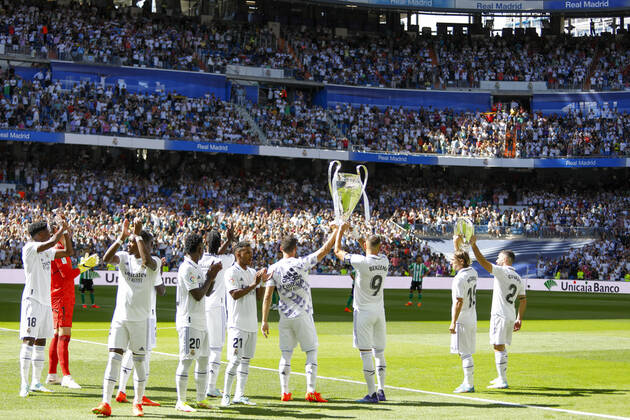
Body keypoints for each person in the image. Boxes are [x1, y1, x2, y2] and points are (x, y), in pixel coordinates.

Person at [92, 219, 165, 417]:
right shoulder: (124, 257)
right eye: (130, 242)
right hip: (120, 319)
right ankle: (105, 402)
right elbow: (106, 259)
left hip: (140, 321)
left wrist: (139, 235)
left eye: (133, 241)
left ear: (148, 245)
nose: (130, 244)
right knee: (114, 358)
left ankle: (138, 402)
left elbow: (146, 261)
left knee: (139, 363)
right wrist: (121, 237)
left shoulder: (155, 262)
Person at [261, 227, 337, 402]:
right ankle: (310, 391)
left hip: (285, 317)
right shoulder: (301, 263)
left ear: (281, 249)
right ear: (295, 249)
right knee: (311, 351)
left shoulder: (273, 268)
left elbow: (267, 297)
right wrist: (336, 231)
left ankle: (285, 392)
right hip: (303, 314)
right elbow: (325, 249)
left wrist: (264, 321)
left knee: (286, 353)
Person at [333, 222, 389, 403]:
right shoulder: (385, 260)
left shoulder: (361, 261)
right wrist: (355, 233)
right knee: (379, 353)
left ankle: (371, 394)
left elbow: (337, 251)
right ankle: (381, 390)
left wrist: (340, 231)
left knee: (365, 353)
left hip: (363, 312)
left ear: (366, 246)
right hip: (379, 312)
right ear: (380, 247)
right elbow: (367, 247)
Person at [19, 219, 73, 397]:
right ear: (39, 234)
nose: (50, 233)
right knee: (29, 340)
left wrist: (65, 234)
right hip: (32, 300)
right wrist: (60, 231)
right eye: (48, 231)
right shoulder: (29, 247)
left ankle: (36, 381)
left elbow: (68, 252)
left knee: (41, 341)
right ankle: (24, 384)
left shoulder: (47, 251)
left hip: (45, 302)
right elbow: (50, 242)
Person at [470, 235, 527, 389]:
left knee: (498, 346)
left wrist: (474, 246)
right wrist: (519, 318)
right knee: (500, 346)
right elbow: (523, 300)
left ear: (506, 260)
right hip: (510, 315)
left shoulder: (502, 271)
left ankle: (503, 379)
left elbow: (483, 263)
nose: (496, 260)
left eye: (499, 257)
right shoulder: (519, 277)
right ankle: (501, 377)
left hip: (500, 315)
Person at [174, 233, 222, 413]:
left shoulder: (195, 267)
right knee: (186, 360)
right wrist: (210, 275)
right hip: (189, 321)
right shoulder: (186, 268)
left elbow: (207, 293)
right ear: (200, 249)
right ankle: (181, 400)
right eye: (202, 247)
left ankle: (201, 398)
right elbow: (197, 295)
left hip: (201, 321)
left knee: (203, 360)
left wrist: (213, 276)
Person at [221, 241, 269, 407]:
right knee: (234, 361)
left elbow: (257, 296)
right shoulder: (231, 272)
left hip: (251, 324)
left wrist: (262, 282)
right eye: (247, 252)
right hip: (237, 324)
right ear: (238, 254)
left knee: (246, 361)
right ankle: (226, 395)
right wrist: (254, 284)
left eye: (251, 252)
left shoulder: (252, 271)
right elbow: (234, 294)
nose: (251, 255)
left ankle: (239, 395)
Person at [47, 239, 98, 389]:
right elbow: (68, 275)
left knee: (57, 335)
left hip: (63, 296)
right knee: (64, 335)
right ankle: (66, 376)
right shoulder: (58, 251)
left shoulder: (62, 250)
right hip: (61, 297)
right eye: (66, 233)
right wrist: (85, 266)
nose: (69, 236)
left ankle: (52, 374)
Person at [115, 255, 164, 407]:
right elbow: (161, 290)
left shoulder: (137, 263)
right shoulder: (152, 263)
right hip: (147, 314)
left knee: (132, 352)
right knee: (144, 354)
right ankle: (139, 396)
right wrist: (159, 271)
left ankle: (122, 390)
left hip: (137, 312)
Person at [198, 227, 235, 398]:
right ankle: (211, 387)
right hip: (217, 306)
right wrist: (230, 240)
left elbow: (215, 253)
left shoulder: (199, 260)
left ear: (205, 243)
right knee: (216, 348)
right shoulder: (225, 260)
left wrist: (224, 242)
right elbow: (229, 255)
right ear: (220, 244)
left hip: (200, 305)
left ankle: (202, 386)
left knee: (202, 349)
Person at [449, 236, 478, 393]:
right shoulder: (473, 272)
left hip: (462, 318)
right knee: (467, 351)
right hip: (472, 316)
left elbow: (459, 301)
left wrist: (453, 321)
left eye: (453, 260)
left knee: (464, 352)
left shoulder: (459, 279)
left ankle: (469, 384)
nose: (451, 262)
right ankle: (468, 382)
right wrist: (456, 244)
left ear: (460, 262)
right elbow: (463, 256)